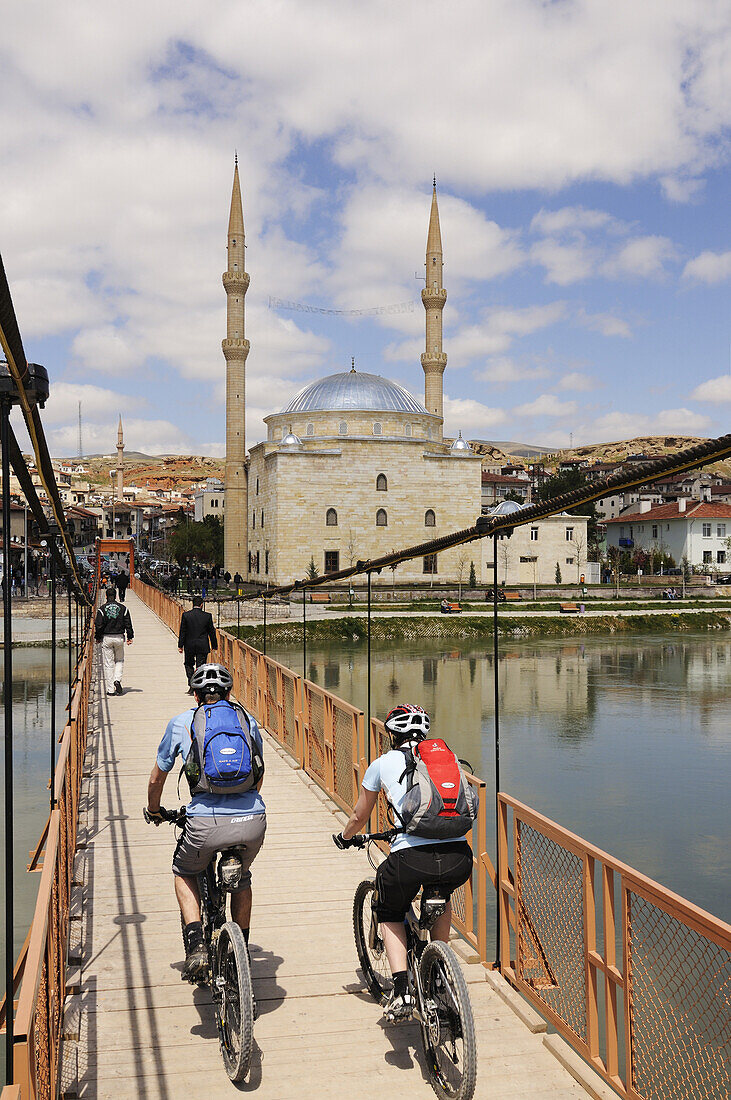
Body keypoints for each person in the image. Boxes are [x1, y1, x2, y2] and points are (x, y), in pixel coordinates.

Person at [333, 704, 473, 1020]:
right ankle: (441, 964)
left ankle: (401, 992)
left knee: (390, 908)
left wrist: (345, 837)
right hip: (458, 858)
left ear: (391, 735)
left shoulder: (381, 764)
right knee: (441, 893)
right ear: (423, 734)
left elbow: (359, 816)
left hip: (411, 858)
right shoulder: (445, 760)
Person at [145, 663, 267, 981]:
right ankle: (241, 949)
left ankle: (197, 945)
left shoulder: (181, 723)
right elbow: (258, 772)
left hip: (203, 823)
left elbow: (158, 778)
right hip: (252, 820)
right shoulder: (247, 721)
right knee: (242, 878)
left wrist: (154, 810)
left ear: (195, 695)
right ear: (229, 693)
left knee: (184, 872)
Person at [95, 586, 134, 696]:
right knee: (119, 660)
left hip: (107, 638)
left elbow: (99, 625)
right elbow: (128, 624)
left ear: (106, 596)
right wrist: (130, 637)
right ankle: (117, 679)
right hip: (119, 637)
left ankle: (110, 689)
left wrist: (98, 637)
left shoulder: (101, 609)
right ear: (116, 596)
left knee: (108, 664)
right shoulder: (123, 608)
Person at [178, 595, 218, 691]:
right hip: (202, 645)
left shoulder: (186, 615)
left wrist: (180, 645)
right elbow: (211, 632)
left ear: (193, 604)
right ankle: (199, 685)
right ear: (201, 605)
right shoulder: (207, 616)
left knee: (188, 664)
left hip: (189, 645)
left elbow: (182, 631)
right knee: (201, 666)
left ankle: (191, 683)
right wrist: (214, 645)